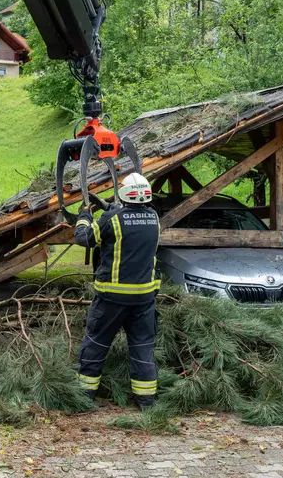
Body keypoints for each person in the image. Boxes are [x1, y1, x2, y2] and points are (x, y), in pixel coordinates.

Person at [73, 172, 160, 409]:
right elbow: (130, 214)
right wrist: (109, 206)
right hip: (144, 298)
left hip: (111, 298)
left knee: (97, 343)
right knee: (142, 347)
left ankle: (84, 395)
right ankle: (146, 401)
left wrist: (84, 215)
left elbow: (84, 238)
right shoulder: (154, 218)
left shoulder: (112, 219)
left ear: (124, 194)